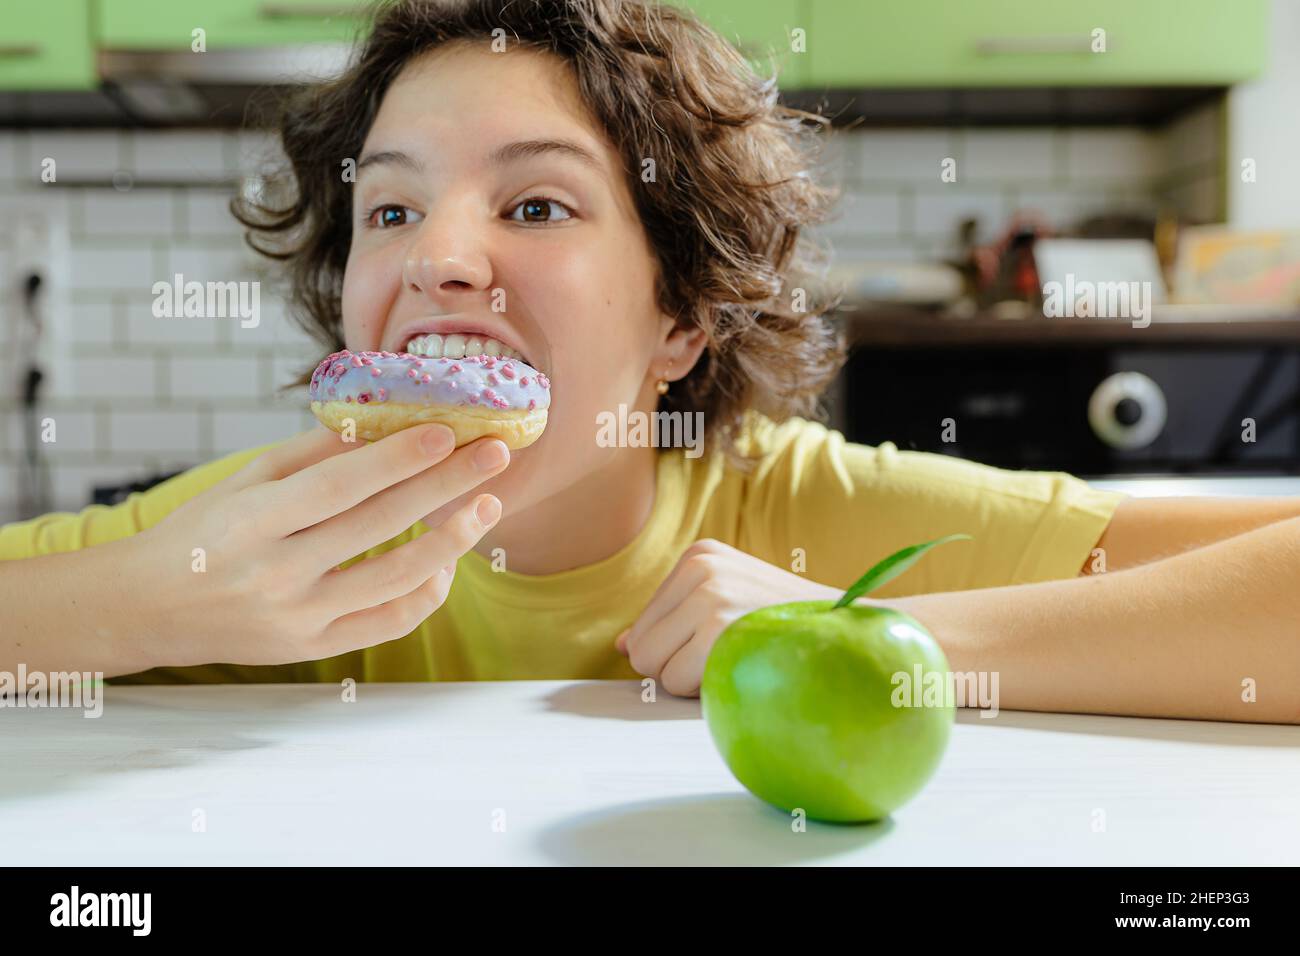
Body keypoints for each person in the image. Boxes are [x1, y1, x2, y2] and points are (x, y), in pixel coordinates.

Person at [2, 0, 1297, 723]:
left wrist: (873, 641)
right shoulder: (258, 536)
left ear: (681, 321)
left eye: (537, 206)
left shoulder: (797, 514)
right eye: (389, 209)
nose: (437, 258)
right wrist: (153, 601)